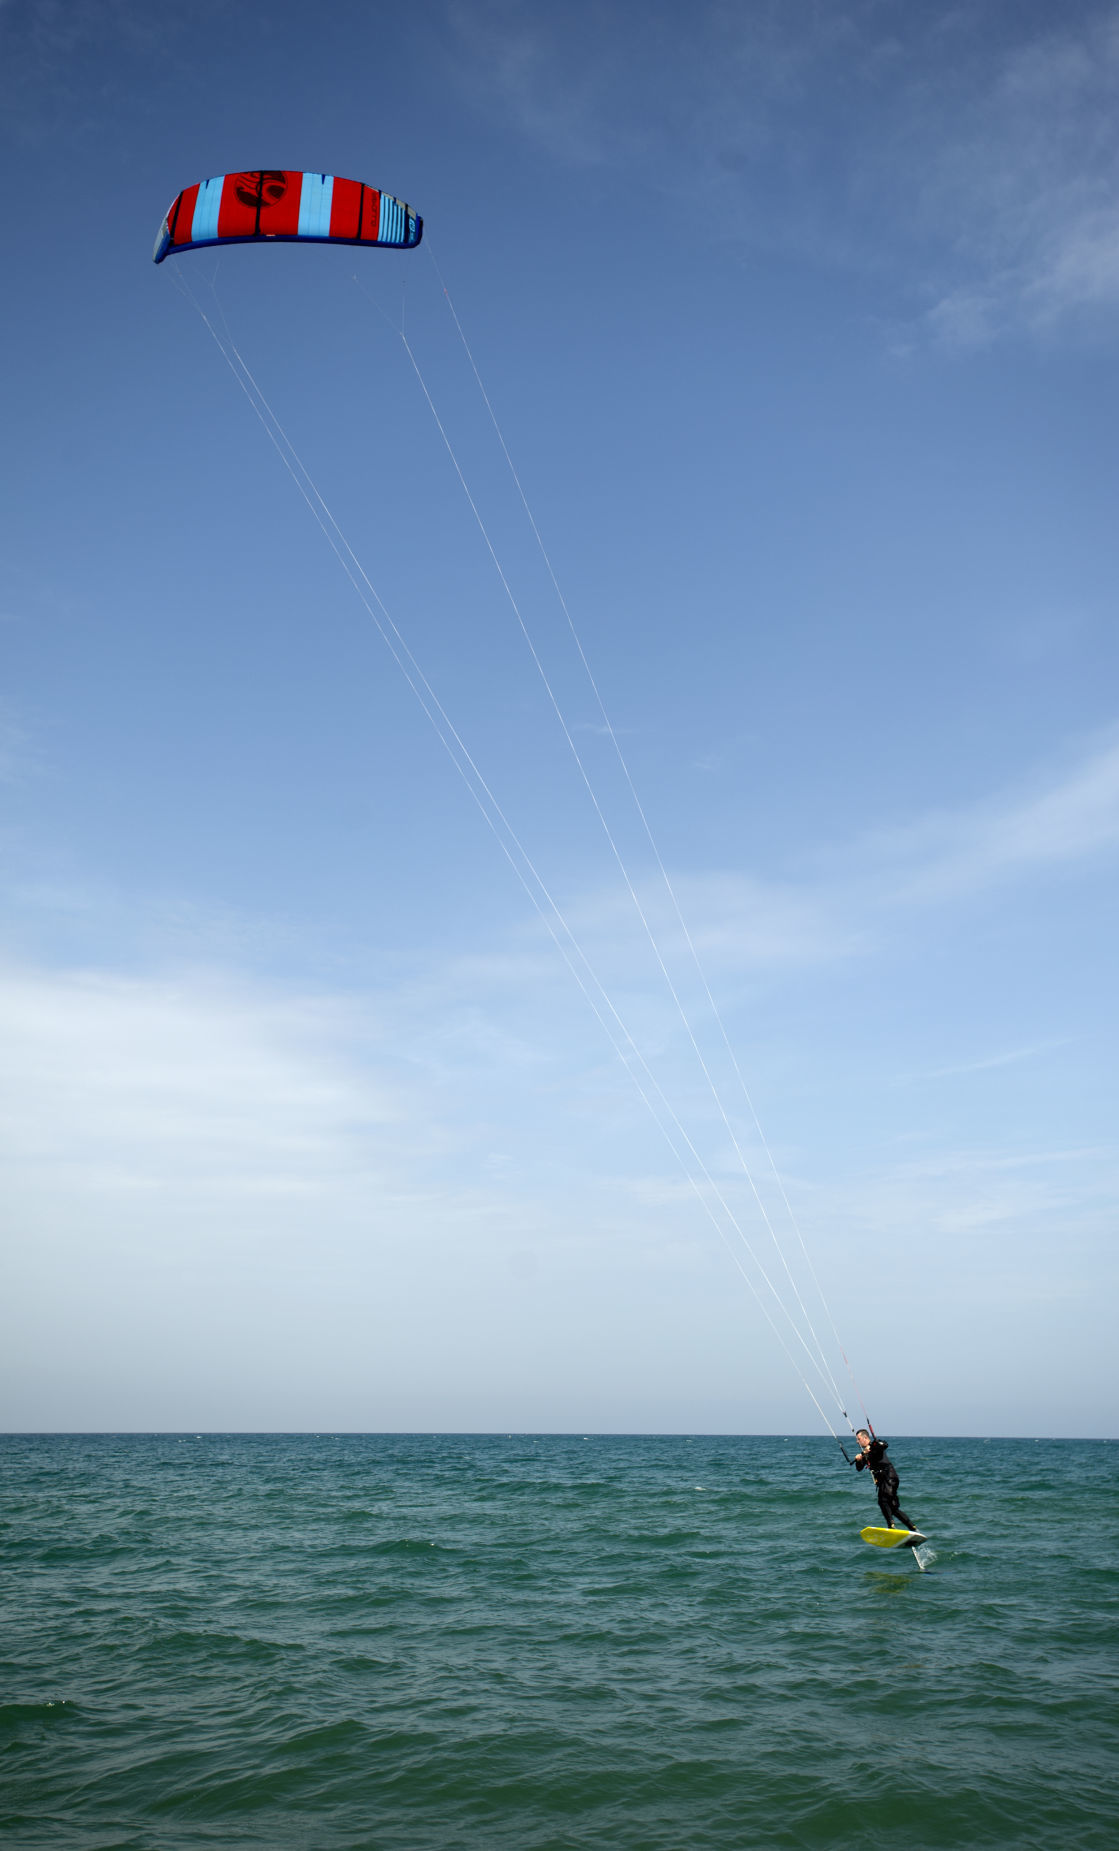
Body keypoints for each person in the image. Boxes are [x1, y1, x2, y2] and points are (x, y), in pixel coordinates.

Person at [854, 1429, 918, 1532]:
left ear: (865, 1438)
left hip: (889, 1477)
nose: (857, 1442)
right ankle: (913, 1528)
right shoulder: (866, 1454)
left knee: (883, 1501)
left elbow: (884, 1445)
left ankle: (891, 1526)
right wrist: (859, 1459)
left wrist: (871, 1447)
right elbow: (859, 1468)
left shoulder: (875, 1446)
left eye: (859, 1439)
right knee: (893, 1508)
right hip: (884, 1480)